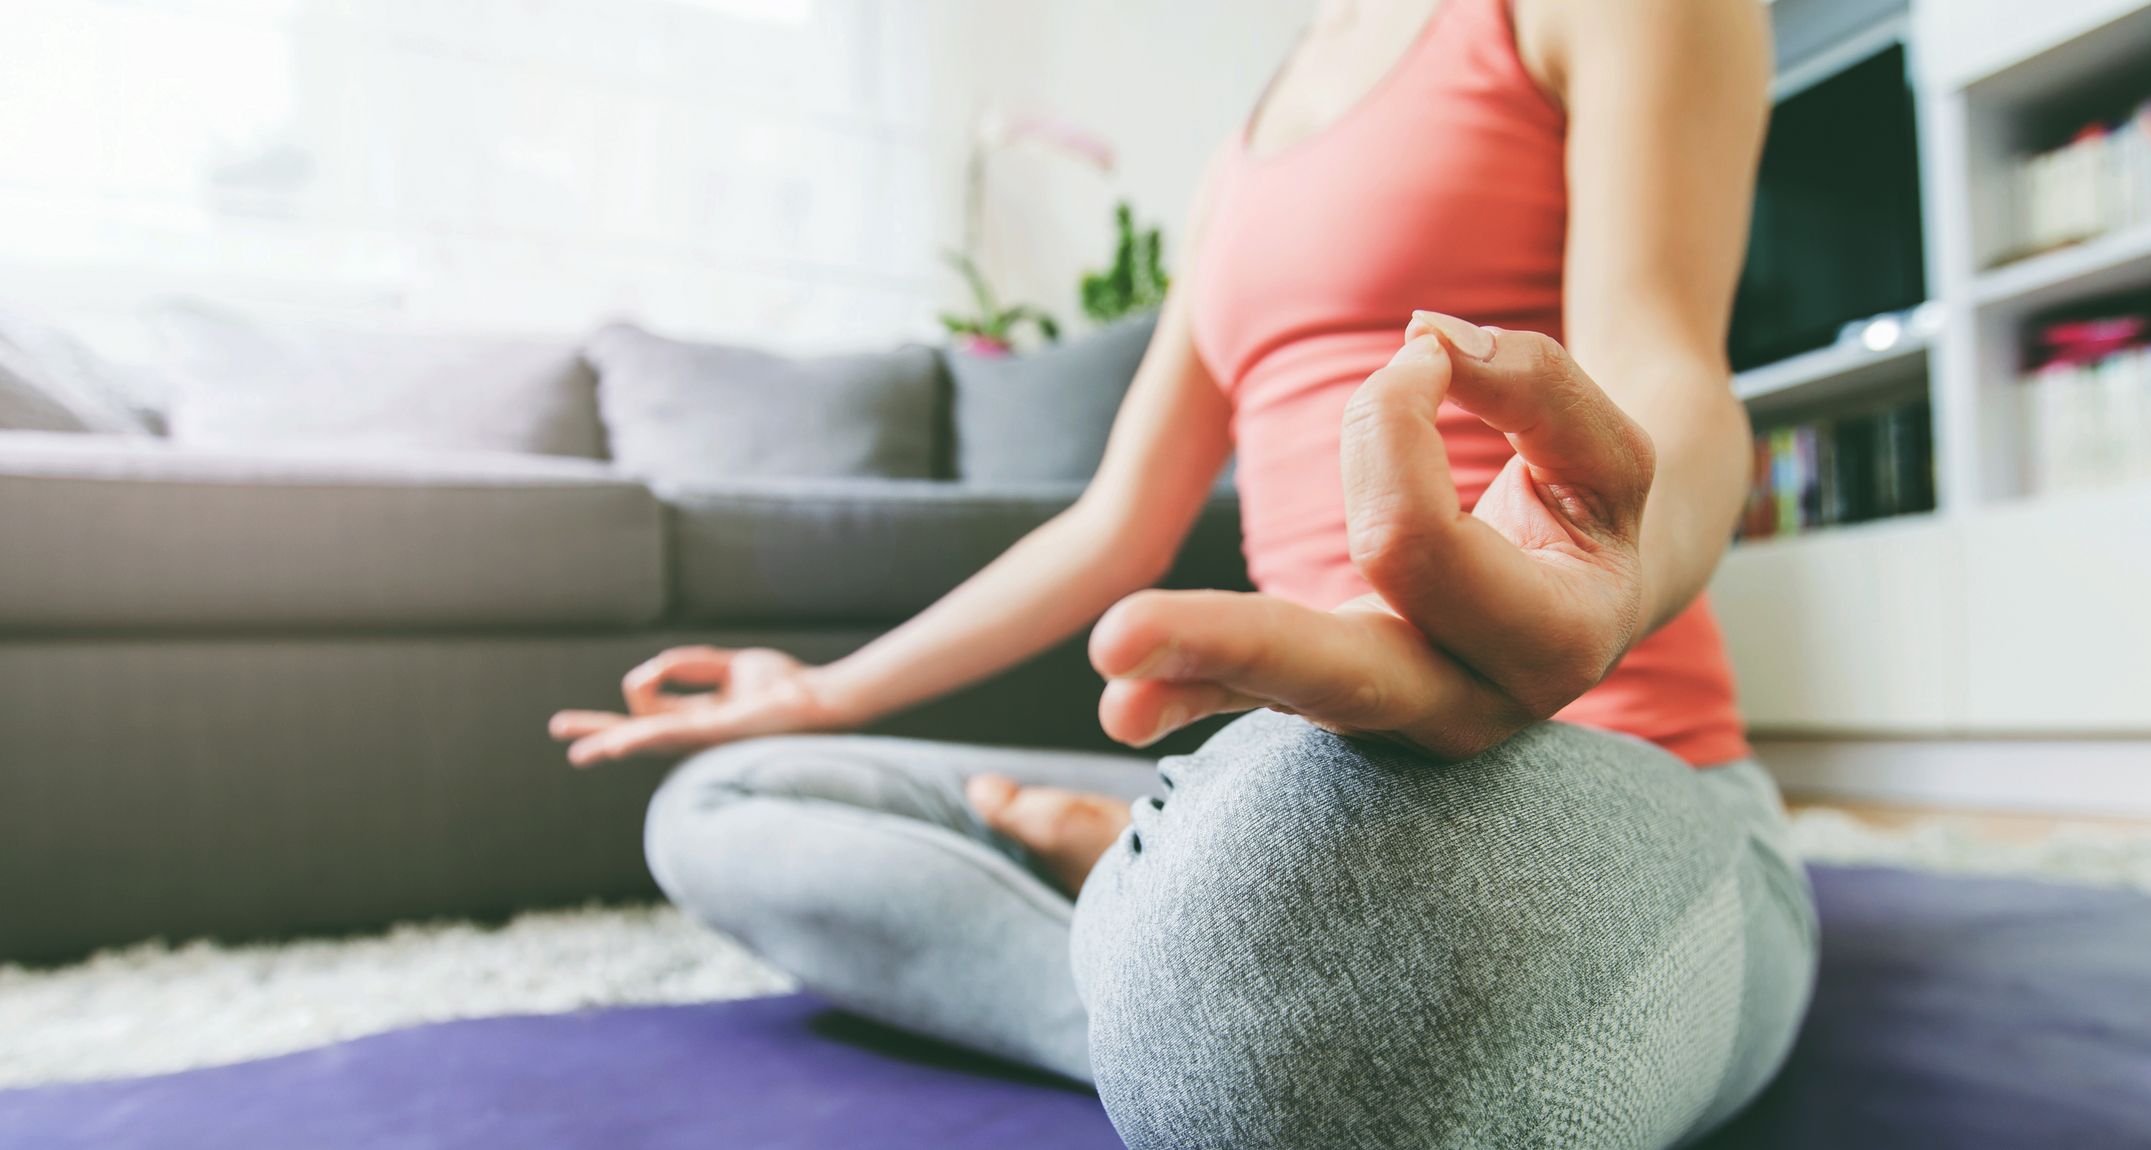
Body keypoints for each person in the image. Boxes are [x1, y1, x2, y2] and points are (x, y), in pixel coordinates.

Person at [550, 0, 1816, 1143]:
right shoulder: (1243, 157)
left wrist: (1592, 571)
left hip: (1615, 776)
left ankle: (1165, 918)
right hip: (1287, 782)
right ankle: (1191, 974)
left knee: (1367, 967)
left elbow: (1666, 371)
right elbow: (1113, 526)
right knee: (727, 801)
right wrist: (825, 693)